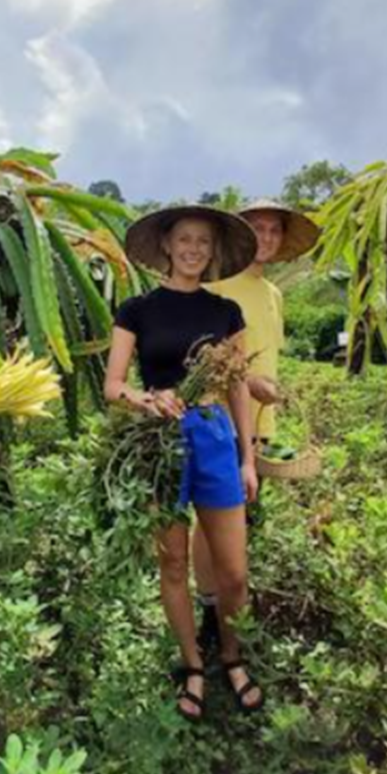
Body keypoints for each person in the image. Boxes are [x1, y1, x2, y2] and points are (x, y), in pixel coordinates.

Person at [104, 205, 265, 720]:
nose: (193, 248)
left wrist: (247, 457)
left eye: (203, 242)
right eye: (184, 240)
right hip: (159, 444)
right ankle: (194, 664)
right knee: (172, 561)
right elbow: (112, 385)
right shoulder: (137, 310)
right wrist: (144, 399)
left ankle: (232, 656)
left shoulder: (225, 314)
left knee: (234, 574)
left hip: (215, 437)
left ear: (212, 252)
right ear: (167, 248)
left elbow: (237, 384)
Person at [193, 199, 321, 654]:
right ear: (241, 235)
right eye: (257, 228)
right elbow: (204, 359)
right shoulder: (218, 287)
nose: (266, 237)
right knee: (210, 522)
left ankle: (228, 604)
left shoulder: (272, 295)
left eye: (274, 230)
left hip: (258, 427)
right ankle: (209, 610)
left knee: (238, 517)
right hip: (218, 422)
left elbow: (266, 355)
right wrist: (250, 382)